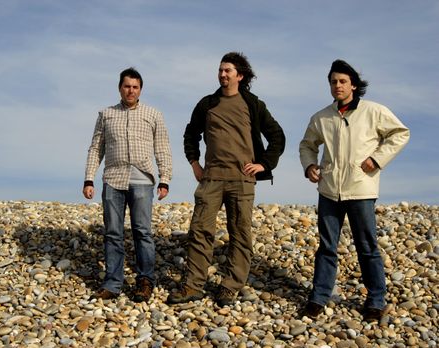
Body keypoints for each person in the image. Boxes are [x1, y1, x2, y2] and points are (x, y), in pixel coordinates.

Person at [167, 52, 286, 307]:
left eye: (228, 70)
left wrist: (263, 164)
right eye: (220, 70)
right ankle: (193, 285)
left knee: (240, 233)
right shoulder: (208, 103)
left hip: (242, 180)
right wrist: (194, 162)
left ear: (239, 76)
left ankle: (231, 286)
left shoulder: (252, 104)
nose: (222, 74)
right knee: (200, 231)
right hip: (211, 178)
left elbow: (277, 136)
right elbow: (191, 133)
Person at [299, 59, 410, 321]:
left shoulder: (374, 111)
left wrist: (378, 158)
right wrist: (309, 166)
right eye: (333, 82)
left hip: (361, 189)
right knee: (326, 247)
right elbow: (307, 145)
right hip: (329, 190)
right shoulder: (321, 117)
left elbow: (400, 133)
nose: (337, 85)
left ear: (354, 85)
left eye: (342, 81)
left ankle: (375, 300)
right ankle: (318, 298)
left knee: (367, 246)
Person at [83, 67, 172, 302]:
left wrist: (165, 179)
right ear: (119, 88)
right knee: (113, 233)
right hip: (113, 180)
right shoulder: (106, 114)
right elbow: (96, 148)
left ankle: (145, 281)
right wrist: (89, 178)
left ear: (140, 89)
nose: (130, 90)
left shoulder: (153, 114)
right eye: (126, 86)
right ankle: (112, 283)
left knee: (142, 232)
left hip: (143, 181)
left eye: (135, 87)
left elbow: (162, 148)